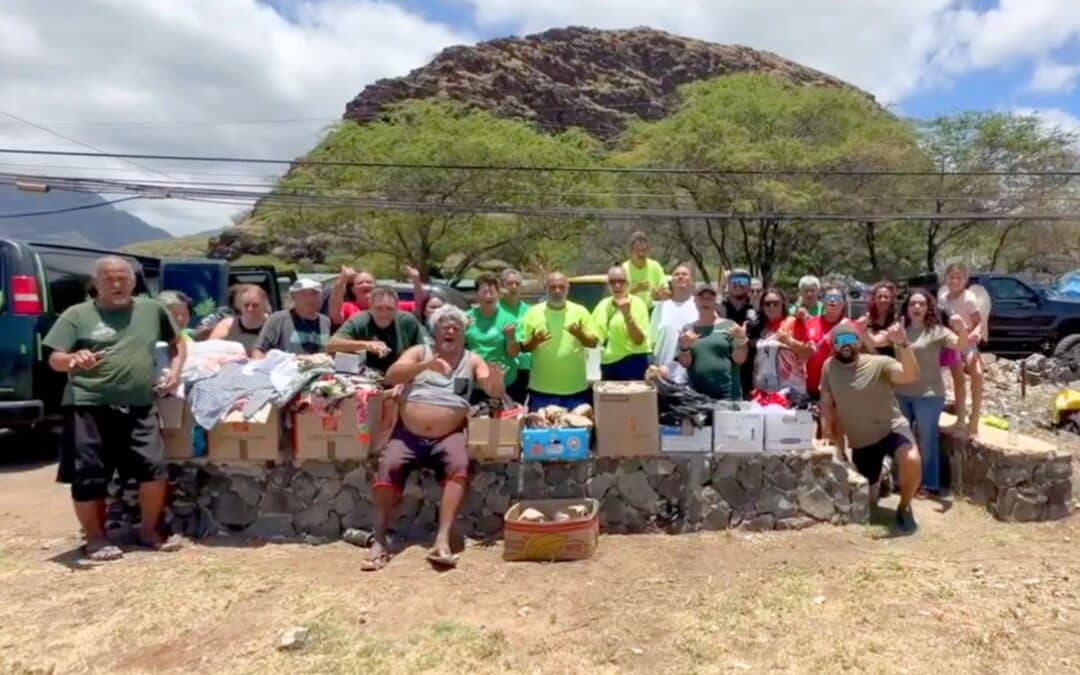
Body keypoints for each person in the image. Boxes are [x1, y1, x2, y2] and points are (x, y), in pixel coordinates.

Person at [43, 256, 187, 561]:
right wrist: (73, 359)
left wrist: (174, 373)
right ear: (96, 284)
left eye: (123, 277)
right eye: (108, 278)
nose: (117, 284)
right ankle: (95, 539)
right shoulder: (77, 314)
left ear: (134, 282)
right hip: (87, 405)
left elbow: (178, 343)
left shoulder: (152, 310)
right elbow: (55, 359)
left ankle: (149, 531)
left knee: (154, 468)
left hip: (139, 404)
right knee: (89, 475)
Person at [363, 305, 505, 571]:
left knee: (459, 464)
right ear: (435, 331)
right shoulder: (420, 352)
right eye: (445, 326)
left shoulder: (472, 359)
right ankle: (379, 538)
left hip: (447, 434)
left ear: (464, 333)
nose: (450, 330)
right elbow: (391, 375)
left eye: (456, 327)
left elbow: (490, 386)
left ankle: (442, 539)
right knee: (389, 465)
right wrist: (425, 366)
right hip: (408, 434)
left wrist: (496, 384)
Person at [819, 322, 922, 534]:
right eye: (839, 341)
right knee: (870, 504)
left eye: (849, 340)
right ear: (834, 345)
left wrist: (903, 344)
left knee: (911, 459)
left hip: (891, 429)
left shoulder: (880, 363)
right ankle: (882, 476)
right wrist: (828, 434)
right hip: (862, 440)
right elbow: (826, 403)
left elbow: (910, 375)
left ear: (859, 341)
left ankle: (904, 507)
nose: (845, 345)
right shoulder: (829, 367)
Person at [894, 289, 968, 495]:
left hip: (929, 395)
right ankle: (902, 480)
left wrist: (962, 330)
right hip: (901, 393)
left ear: (928, 308)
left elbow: (961, 345)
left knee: (928, 440)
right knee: (901, 439)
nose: (916, 307)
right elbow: (874, 343)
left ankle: (928, 483)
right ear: (906, 308)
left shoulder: (938, 331)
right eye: (912, 304)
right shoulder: (899, 330)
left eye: (921, 304)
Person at [520, 272, 598, 410]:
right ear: (546, 288)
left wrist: (580, 335)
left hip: (575, 390)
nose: (557, 291)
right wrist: (534, 341)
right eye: (553, 287)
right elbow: (523, 348)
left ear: (568, 288)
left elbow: (593, 343)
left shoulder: (580, 311)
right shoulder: (533, 313)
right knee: (542, 431)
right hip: (541, 391)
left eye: (561, 287)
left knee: (575, 430)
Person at [328, 287, 428, 373]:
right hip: (366, 378)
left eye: (389, 308)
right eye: (379, 308)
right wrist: (367, 345)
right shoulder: (360, 321)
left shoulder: (408, 322)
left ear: (397, 308)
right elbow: (331, 345)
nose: (384, 313)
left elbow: (423, 353)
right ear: (370, 307)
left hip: (401, 378)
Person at [676, 282, 748, 400]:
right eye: (702, 297)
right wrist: (685, 348)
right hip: (698, 396)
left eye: (710, 298)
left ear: (716, 301)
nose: (706, 301)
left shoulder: (730, 326)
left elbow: (739, 359)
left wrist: (741, 340)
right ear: (695, 301)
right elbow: (685, 363)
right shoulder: (688, 330)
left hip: (728, 395)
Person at [938, 263, 984, 436]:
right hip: (952, 341)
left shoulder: (969, 299)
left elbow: (979, 322)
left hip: (968, 339)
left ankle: (975, 419)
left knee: (977, 373)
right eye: (951, 277)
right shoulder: (943, 298)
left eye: (959, 278)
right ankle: (961, 416)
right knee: (957, 378)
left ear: (965, 280)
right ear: (946, 279)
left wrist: (975, 334)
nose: (955, 281)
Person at [592, 265, 651, 380]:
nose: (617, 285)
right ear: (608, 285)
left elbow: (639, 340)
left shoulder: (638, 304)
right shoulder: (603, 305)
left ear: (628, 284)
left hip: (633, 363)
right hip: (608, 364)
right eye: (612, 282)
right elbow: (595, 337)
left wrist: (627, 316)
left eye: (621, 281)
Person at [465, 273, 520, 398]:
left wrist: (511, 337)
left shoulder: (508, 318)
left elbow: (513, 354)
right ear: (476, 294)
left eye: (492, 292)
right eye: (484, 292)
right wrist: (462, 331)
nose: (489, 296)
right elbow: (456, 349)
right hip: (474, 382)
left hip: (502, 381)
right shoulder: (465, 318)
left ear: (498, 294)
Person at [750, 288, 809, 395]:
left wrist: (790, 341)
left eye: (776, 303)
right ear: (762, 307)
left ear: (783, 304)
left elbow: (809, 352)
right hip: (763, 391)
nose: (771, 307)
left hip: (790, 391)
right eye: (767, 303)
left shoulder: (794, 323)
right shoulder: (758, 327)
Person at [253, 278, 331, 358]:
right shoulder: (279, 319)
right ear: (294, 297)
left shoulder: (325, 322)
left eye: (315, 293)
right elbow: (259, 350)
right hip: (287, 368)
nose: (310, 298)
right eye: (305, 294)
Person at [804, 285, 855, 398]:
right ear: (822, 301)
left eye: (837, 298)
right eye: (828, 298)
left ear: (843, 304)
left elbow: (848, 353)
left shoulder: (850, 326)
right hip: (811, 388)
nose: (832, 301)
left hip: (838, 391)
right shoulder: (810, 323)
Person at [328, 266, 426, 324]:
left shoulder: (390, 305)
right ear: (353, 290)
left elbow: (419, 306)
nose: (365, 285)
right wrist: (342, 279)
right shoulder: (348, 307)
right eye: (360, 283)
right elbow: (335, 316)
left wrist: (416, 280)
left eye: (369, 282)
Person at [650, 264, 700, 368]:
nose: (680, 276)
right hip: (663, 370)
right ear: (671, 282)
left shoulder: (699, 305)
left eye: (684, 274)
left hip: (692, 371)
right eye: (676, 275)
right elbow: (652, 342)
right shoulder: (661, 307)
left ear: (692, 281)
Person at [720, 268, 758, 399]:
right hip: (722, 375)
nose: (738, 284)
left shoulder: (757, 312)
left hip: (749, 378)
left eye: (743, 280)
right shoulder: (718, 310)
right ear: (728, 284)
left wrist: (744, 339)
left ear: (749, 285)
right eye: (734, 280)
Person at [208, 284, 270, 357]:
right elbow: (210, 350)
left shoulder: (275, 325)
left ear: (264, 305)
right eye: (246, 305)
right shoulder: (228, 325)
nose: (250, 309)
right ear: (240, 305)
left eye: (255, 305)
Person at [499, 268, 532, 404]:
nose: (513, 287)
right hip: (504, 367)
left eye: (517, 284)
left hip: (525, 366)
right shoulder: (496, 309)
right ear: (502, 286)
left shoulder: (530, 310)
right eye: (510, 283)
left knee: (520, 406)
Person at [622, 230, 667, 307]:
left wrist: (659, 294)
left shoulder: (655, 266)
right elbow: (620, 297)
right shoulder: (624, 269)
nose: (641, 254)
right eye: (638, 250)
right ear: (631, 251)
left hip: (651, 310)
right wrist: (636, 289)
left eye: (644, 250)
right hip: (631, 311)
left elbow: (666, 292)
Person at [863, 282, 899, 359]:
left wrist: (863, 331)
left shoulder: (896, 321)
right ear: (874, 299)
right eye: (879, 297)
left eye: (886, 297)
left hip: (889, 364)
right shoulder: (867, 318)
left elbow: (875, 342)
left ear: (891, 299)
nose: (882, 300)